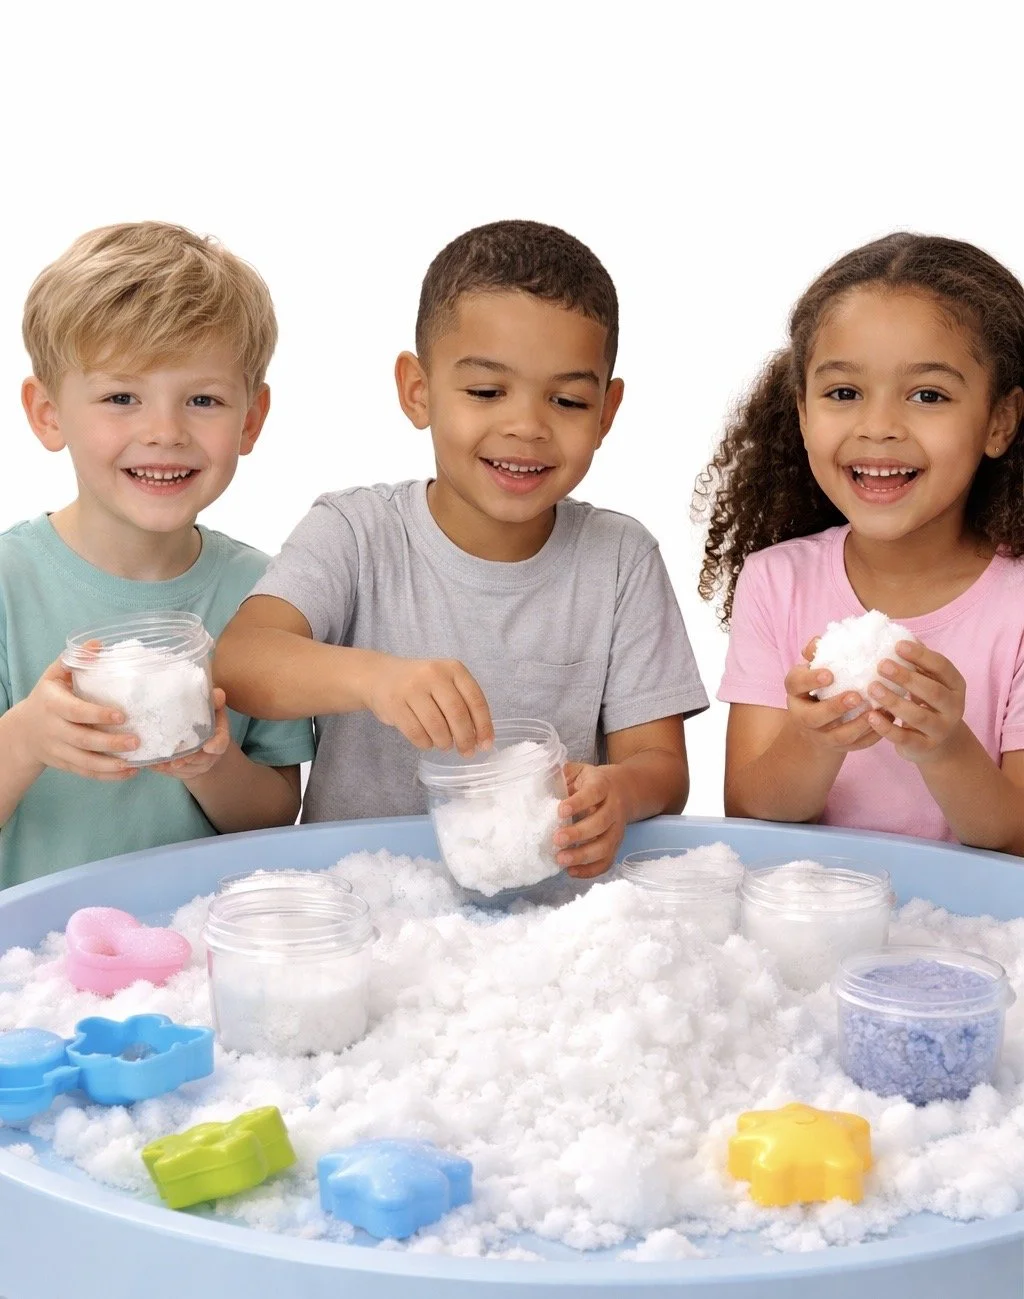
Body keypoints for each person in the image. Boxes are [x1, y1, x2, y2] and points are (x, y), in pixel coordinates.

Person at [217, 219, 708, 878]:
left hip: (546, 914)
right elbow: (242, 659)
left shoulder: (620, 558)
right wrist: (374, 677)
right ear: (418, 390)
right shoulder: (356, 531)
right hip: (363, 901)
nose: (526, 426)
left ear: (606, 412)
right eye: (485, 391)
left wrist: (619, 792)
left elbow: (661, 766)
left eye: (566, 399)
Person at [0, 221, 315, 888]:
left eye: (203, 399)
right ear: (47, 413)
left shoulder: (265, 595)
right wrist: (27, 737)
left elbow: (276, 814)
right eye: (122, 398)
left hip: (197, 948)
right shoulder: (9, 586)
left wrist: (212, 762)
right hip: (38, 965)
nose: (165, 432)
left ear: (251, 419)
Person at [695, 233, 1024, 850]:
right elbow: (748, 810)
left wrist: (947, 748)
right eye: (844, 393)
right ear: (801, 411)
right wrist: (813, 738)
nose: (878, 427)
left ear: (999, 422)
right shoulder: (777, 581)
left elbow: (1018, 842)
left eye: (928, 395)